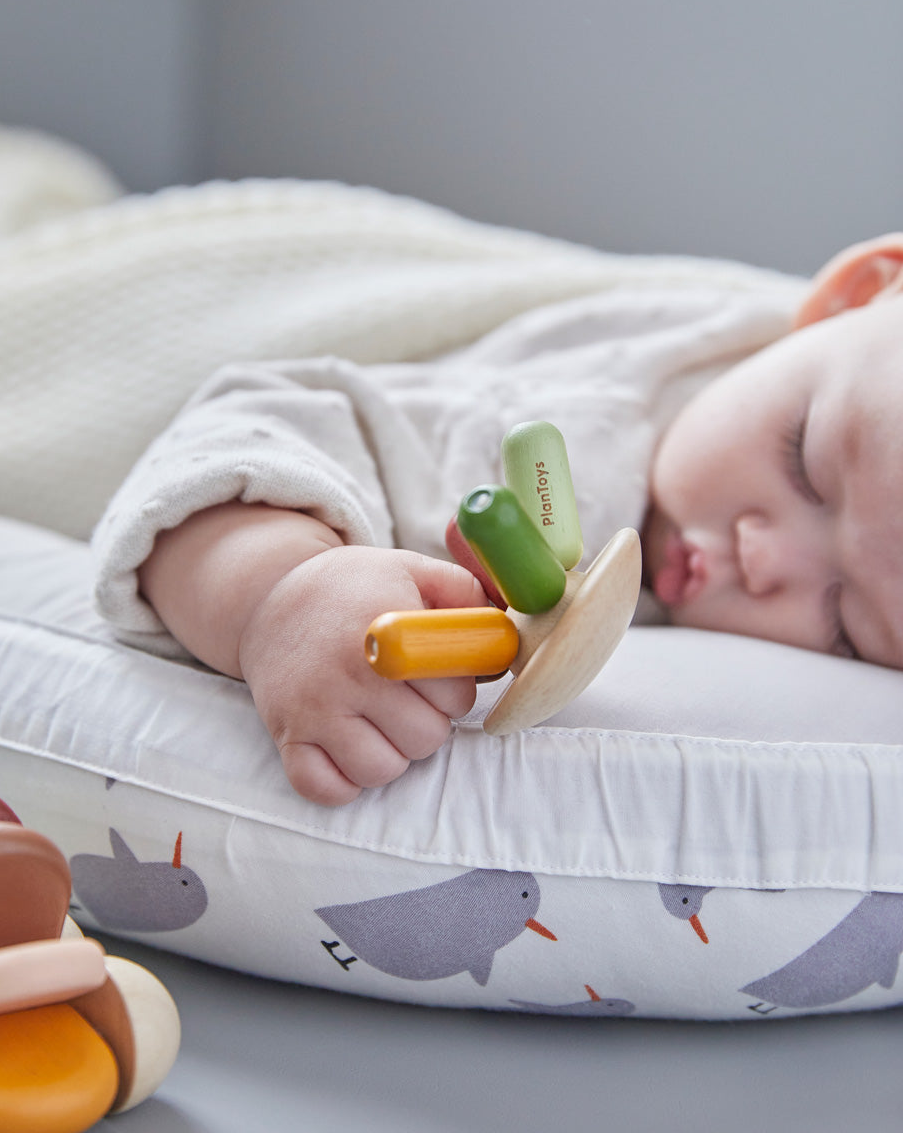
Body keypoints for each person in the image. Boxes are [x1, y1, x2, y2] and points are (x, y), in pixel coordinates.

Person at [92, 234, 903, 806]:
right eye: (806, 458)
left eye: (845, 622)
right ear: (851, 297)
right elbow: (228, 446)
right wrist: (280, 593)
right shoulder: (554, 432)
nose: (763, 558)